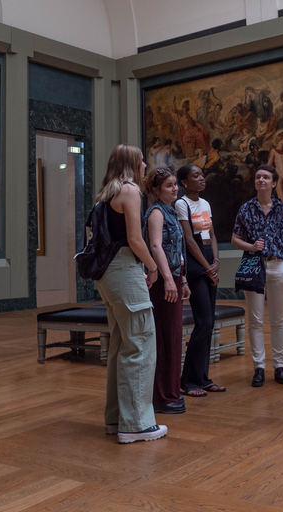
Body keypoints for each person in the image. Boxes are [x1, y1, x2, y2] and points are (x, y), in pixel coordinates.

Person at [95, 144, 167, 444]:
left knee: (120, 345)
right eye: (141, 163)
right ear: (131, 164)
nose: (145, 168)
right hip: (125, 269)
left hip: (108, 274)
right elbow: (137, 240)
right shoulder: (130, 191)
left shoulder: (105, 194)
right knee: (140, 344)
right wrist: (153, 269)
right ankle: (136, 425)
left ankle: (116, 419)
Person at [231, 164, 283, 387]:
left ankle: (279, 366)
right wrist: (250, 247)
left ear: (273, 183)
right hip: (254, 266)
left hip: (279, 266)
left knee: (278, 319)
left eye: (265, 177)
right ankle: (258, 367)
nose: (260, 180)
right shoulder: (246, 209)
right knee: (255, 320)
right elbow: (235, 239)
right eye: (258, 177)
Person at [175, 164, 226, 397]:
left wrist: (216, 261)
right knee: (203, 322)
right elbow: (189, 239)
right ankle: (188, 381)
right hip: (196, 267)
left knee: (209, 323)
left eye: (202, 174)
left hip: (208, 262)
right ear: (184, 183)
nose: (202, 178)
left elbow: (212, 235)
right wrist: (207, 268)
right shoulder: (181, 204)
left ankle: (203, 378)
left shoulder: (205, 204)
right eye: (196, 176)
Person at [144, 167, 191, 415]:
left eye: (175, 184)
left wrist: (182, 280)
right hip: (162, 282)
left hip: (174, 278)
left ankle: (171, 391)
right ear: (155, 190)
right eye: (169, 185)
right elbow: (155, 246)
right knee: (164, 338)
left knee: (174, 339)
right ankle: (163, 395)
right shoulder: (156, 213)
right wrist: (168, 280)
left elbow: (178, 251)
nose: (175, 189)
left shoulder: (171, 212)